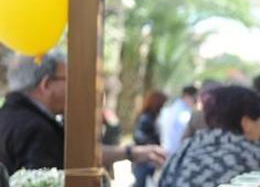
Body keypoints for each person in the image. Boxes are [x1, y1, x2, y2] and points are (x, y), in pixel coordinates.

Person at [0, 52, 166, 173]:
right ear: (47, 84)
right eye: (69, 80)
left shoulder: (11, 115)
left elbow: (78, 156)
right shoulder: (36, 129)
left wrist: (132, 152)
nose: (75, 88)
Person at [130, 90, 168, 187]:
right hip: (143, 164)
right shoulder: (146, 118)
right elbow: (139, 138)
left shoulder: (152, 117)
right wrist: (153, 148)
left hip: (149, 163)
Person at [158, 85, 198, 155]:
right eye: (195, 98)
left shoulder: (169, 108)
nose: (196, 102)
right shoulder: (185, 112)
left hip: (166, 150)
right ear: (187, 96)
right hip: (177, 152)